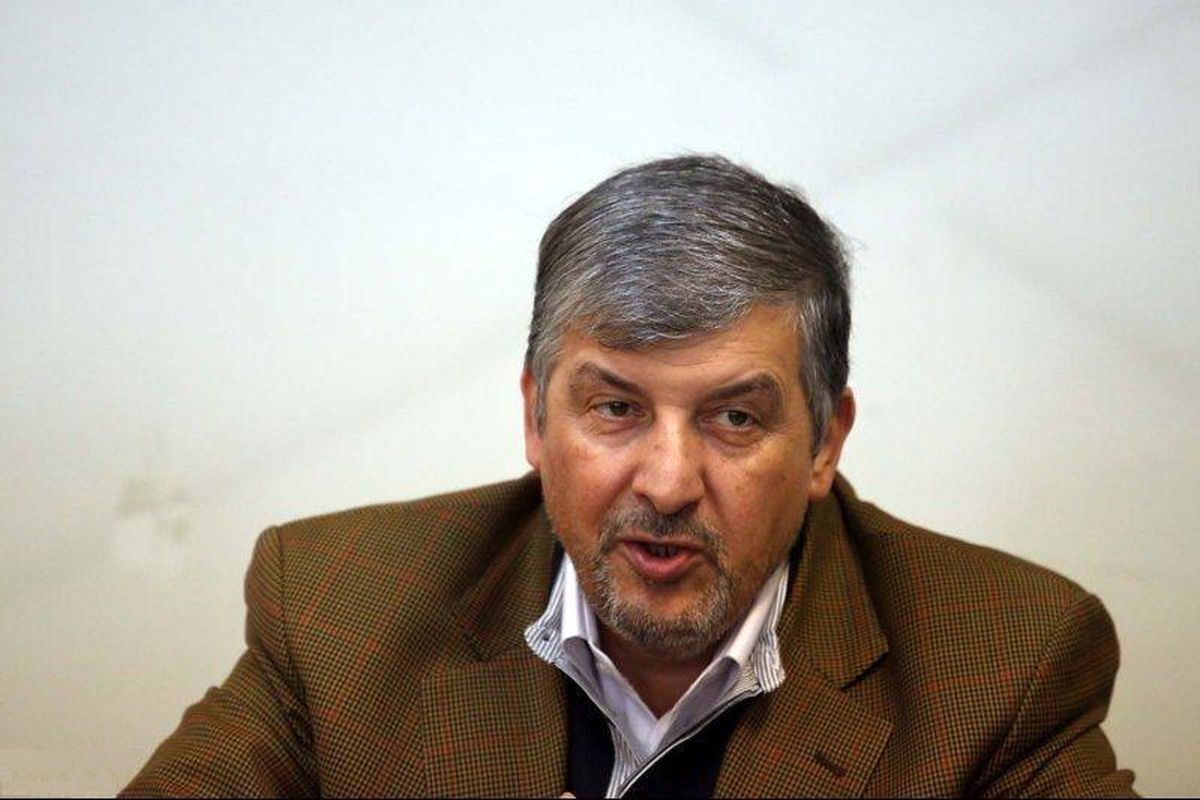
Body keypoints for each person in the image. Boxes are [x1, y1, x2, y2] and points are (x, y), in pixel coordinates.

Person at [122, 156, 1135, 798]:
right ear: (535, 415)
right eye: (615, 408)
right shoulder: (337, 605)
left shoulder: (1004, 663)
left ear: (826, 441)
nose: (668, 480)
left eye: (735, 418)